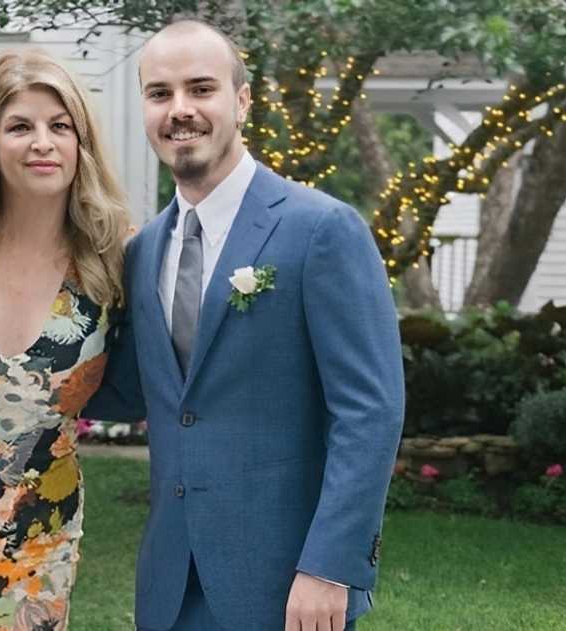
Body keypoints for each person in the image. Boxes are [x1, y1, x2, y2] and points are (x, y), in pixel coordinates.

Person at [83, 17, 405, 631]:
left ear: (242, 100)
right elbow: (130, 390)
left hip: (287, 585)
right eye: (160, 93)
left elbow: (371, 411)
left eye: (201, 88)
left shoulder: (321, 230)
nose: (180, 110)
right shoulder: (142, 249)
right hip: (171, 585)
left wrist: (330, 568)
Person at [0, 49, 130, 631]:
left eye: (59, 126)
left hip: (44, 543)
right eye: (20, 126)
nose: (43, 142)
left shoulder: (111, 263)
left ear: (81, 144)